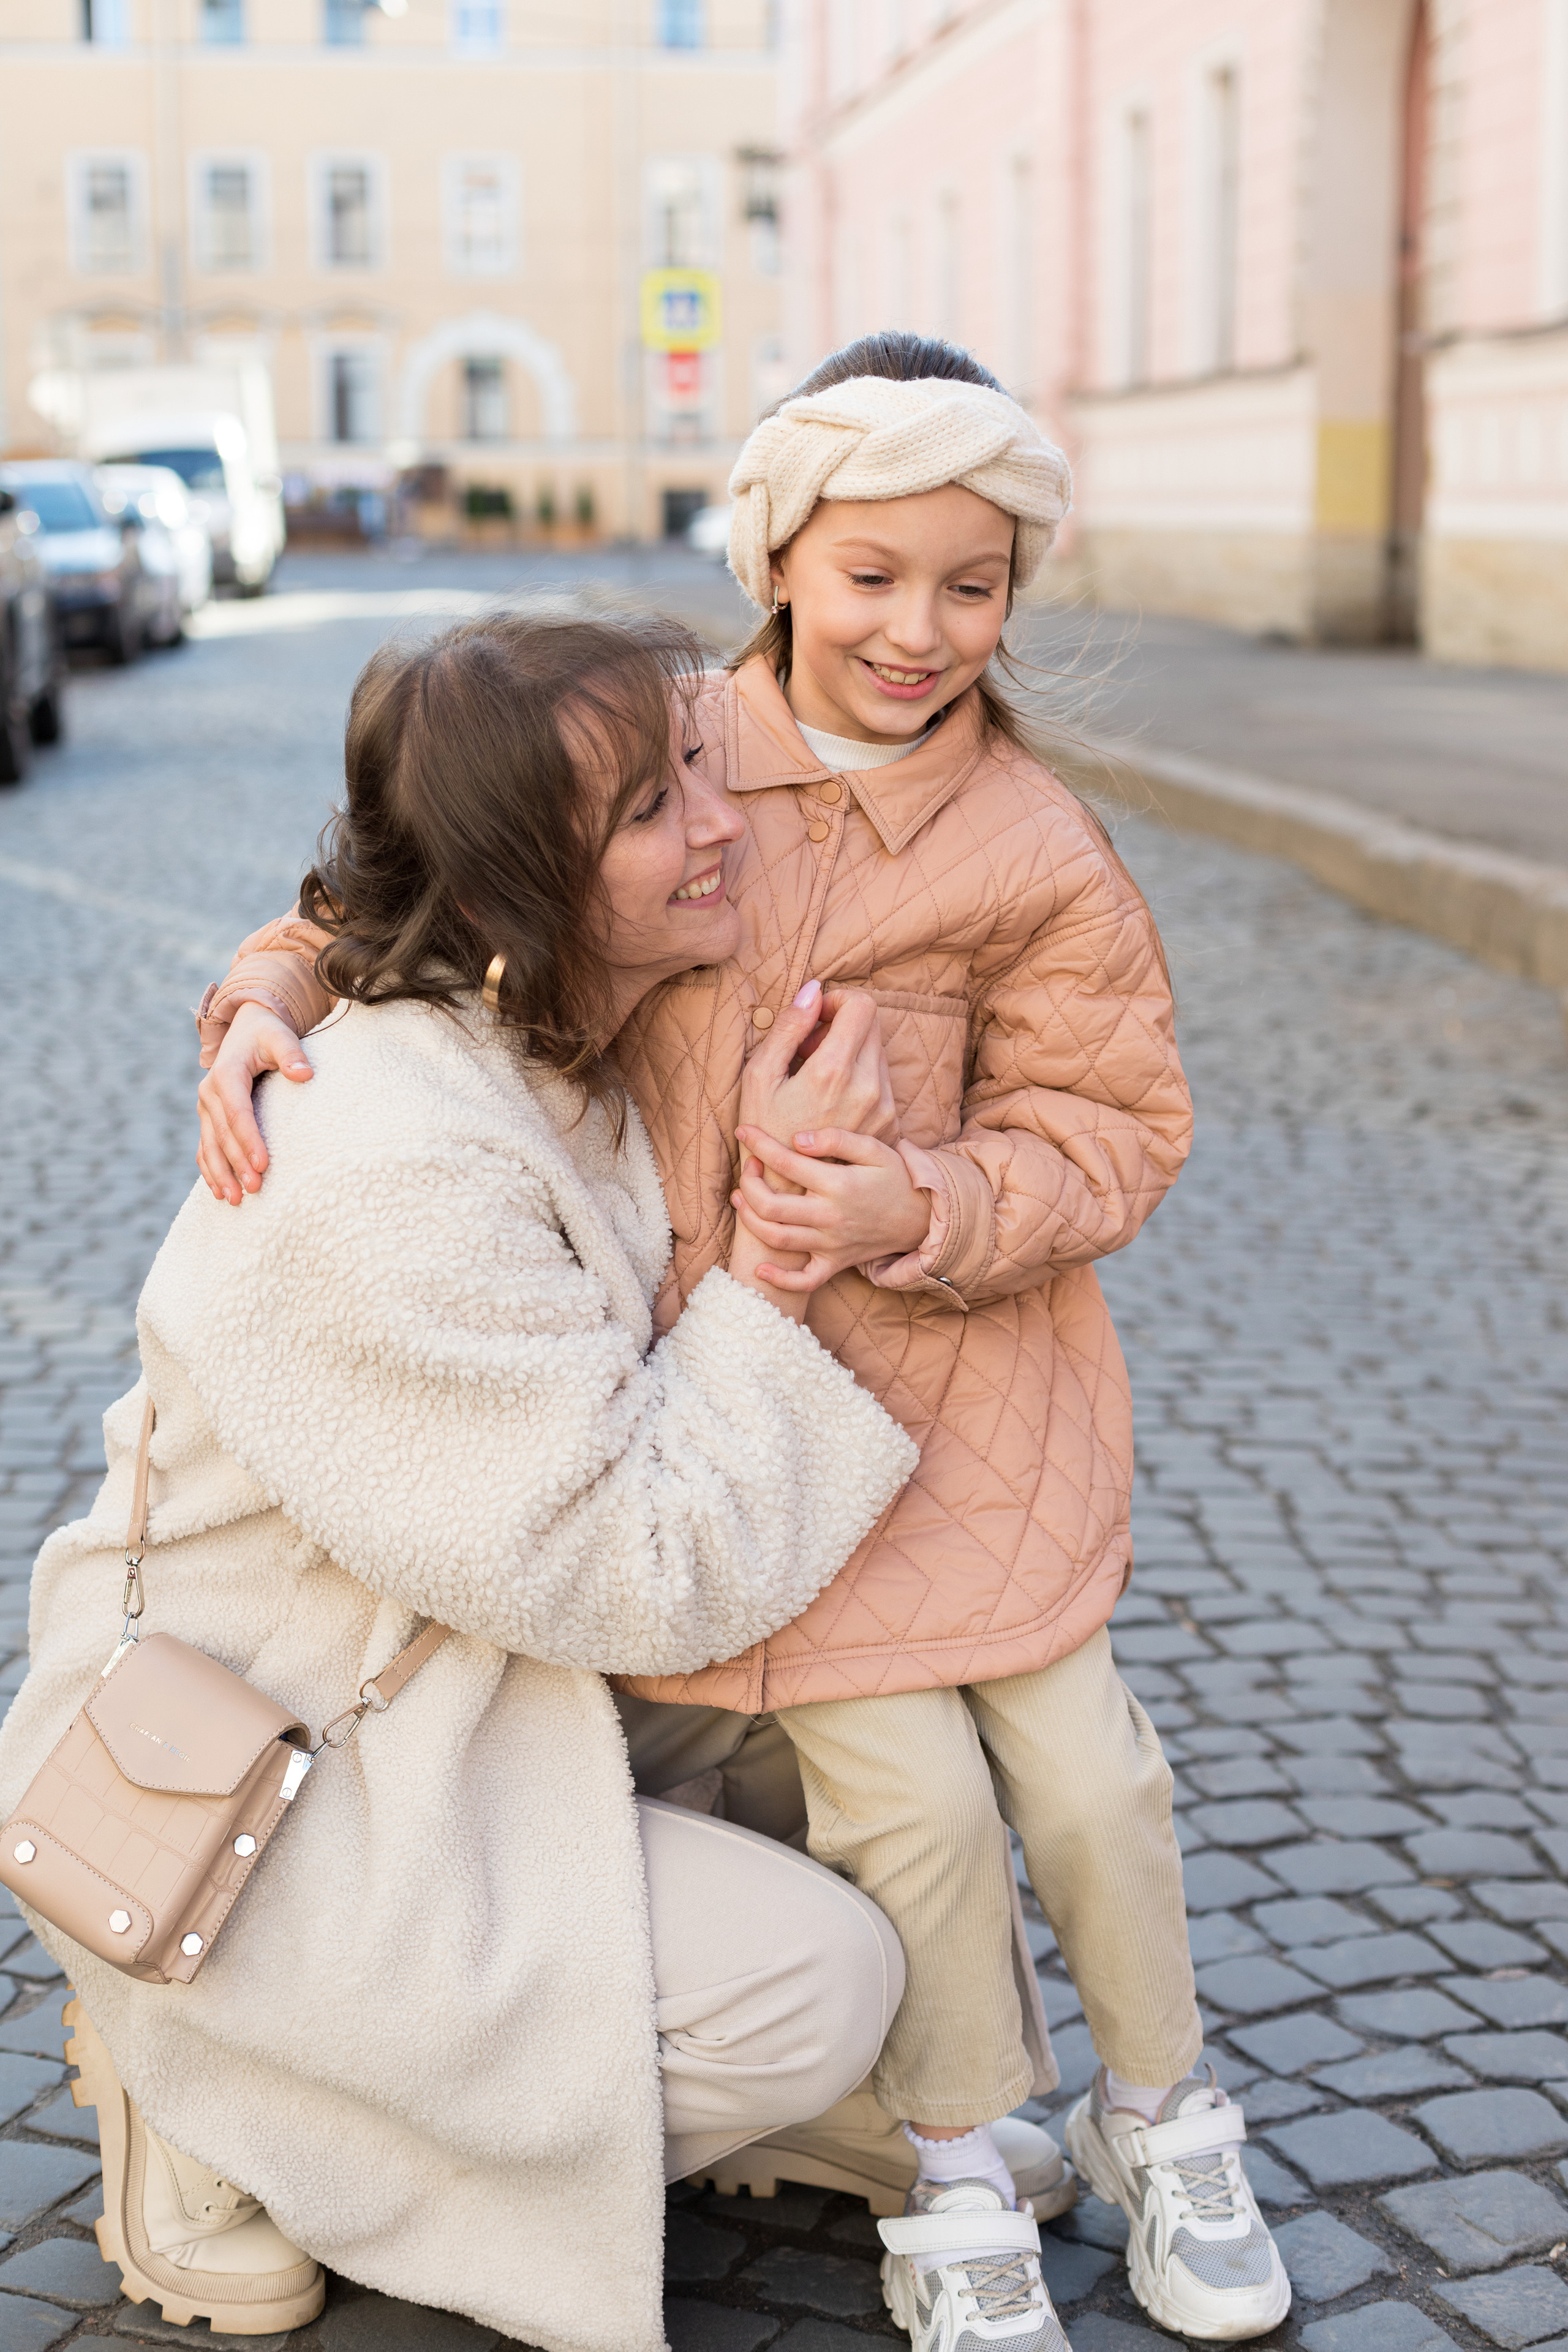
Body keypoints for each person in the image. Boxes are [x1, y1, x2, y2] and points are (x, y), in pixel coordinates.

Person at [192, 337, 1290, 2348]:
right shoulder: (666, 736)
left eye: (974, 585)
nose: (919, 628)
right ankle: (951, 2164)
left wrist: (923, 1206)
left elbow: (1117, 1124)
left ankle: (1166, 2113)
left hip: (971, 1404)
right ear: (781, 554)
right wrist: (267, 990)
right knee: (914, 1811)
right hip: (745, 1419)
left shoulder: (1033, 846)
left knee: (1092, 1785)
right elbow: (414, 867)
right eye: (873, 573)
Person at [0, 611, 939, 2352]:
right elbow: (640, 1563)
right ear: (518, 894)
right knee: (831, 1984)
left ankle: (615, 2072)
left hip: (466, 1654)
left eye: (696, 768)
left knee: (905, 1727)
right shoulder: (391, 1160)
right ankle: (206, 2084)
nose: (721, 820)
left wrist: (268, 970)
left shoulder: (539, 1014)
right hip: (272, 1755)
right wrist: (788, 1268)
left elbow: (370, 899)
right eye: (654, 810)